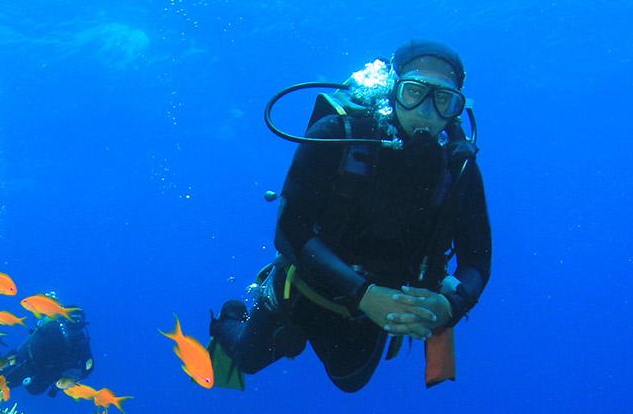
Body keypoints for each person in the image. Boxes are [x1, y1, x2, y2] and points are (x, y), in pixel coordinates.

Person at [209, 39, 491, 392]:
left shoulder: (459, 167)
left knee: (350, 381)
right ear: (393, 89)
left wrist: (447, 306)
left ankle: (296, 336)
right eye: (414, 92)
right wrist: (364, 294)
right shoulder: (337, 136)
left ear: (456, 107)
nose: (426, 111)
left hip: (376, 308)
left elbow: (477, 260)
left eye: (443, 99)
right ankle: (235, 314)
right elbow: (289, 230)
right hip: (306, 288)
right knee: (247, 358)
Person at [0, 308, 94, 396]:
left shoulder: (82, 340)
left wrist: (71, 377)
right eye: (72, 322)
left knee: (34, 390)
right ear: (65, 319)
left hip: (50, 375)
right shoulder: (52, 329)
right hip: (27, 363)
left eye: (78, 325)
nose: (74, 328)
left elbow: (88, 365)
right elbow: (32, 346)